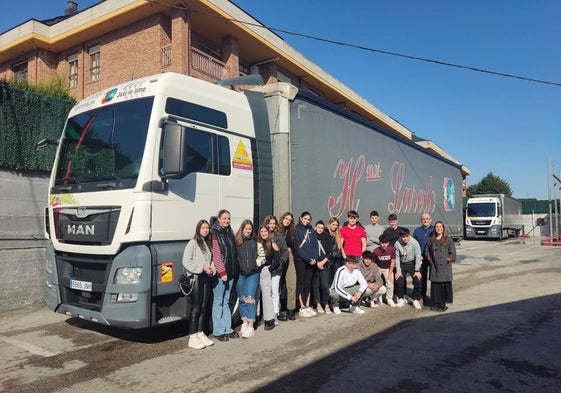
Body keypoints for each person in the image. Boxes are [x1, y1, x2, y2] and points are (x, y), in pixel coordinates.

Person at [182, 219, 216, 349]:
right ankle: (192, 336)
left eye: (207, 228)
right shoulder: (193, 243)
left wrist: (212, 269)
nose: (206, 230)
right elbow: (186, 261)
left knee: (203, 306)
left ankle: (201, 333)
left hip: (206, 278)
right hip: (196, 277)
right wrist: (202, 267)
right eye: (203, 228)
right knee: (195, 307)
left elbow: (211, 260)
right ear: (198, 229)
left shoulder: (207, 243)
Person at [210, 209, 240, 341]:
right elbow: (216, 255)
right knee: (218, 301)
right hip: (221, 274)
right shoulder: (214, 233)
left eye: (228, 218)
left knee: (227, 301)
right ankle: (218, 330)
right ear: (218, 219)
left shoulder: (229, 232)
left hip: (231, 273)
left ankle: (228, 328)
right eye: (224, 218)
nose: (227, 221)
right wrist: (222, 272)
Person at [235, 219, 263, 338]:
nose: (247, 231)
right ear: (242, 229)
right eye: (246, 229)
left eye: (250, 229)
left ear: (252, 231)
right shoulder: (237, 242)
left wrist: (256, 263)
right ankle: (244, 322)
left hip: (253, 273)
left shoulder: (255, 242)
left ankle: (251, 325)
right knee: (241, 298)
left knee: (250, 298)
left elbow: (262, 256)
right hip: (240, 274)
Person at [425, 221, 457, 312]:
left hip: (445, 268)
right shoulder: (431, 239)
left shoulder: (448, 239)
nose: (438, 228)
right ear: (435, 228)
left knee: (443, 286)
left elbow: (453, 254)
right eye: (437, 227)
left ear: (443, 228)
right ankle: (435, 303)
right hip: (434, 267)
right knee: (435, 286)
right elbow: (427, 250)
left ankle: (442, 304)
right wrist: (430, 260)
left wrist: (447, 259)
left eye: (440, 227)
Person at [294, 211, 319, 318]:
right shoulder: (296, 230)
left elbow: (315, 245)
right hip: (301, 261)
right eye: (305, 219)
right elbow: (298, 248)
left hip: (311, 261)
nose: (306, 221)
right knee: (301, 283)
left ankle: (308, 305)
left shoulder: (311, 230)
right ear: (300, 218)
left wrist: (314, 258)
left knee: (308, 283)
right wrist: (308, 258)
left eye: (308, 219)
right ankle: (302, 306)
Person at [256, 224, 281, 330]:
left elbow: (277, 261)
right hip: (256, 270)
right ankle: (256, 318)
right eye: (261, 232)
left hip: (266, 270)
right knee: (255, 295)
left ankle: (269, 320)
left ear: (268, 233)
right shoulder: (257, 244)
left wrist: (269, 269)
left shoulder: (272, 244)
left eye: (265, 231)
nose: (263, 233)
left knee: (267, 296)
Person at [263, 215, 288, 322]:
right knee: (265, 292)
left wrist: (280, 263)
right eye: (270, 223)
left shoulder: (279, 236)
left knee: (275, 291)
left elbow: (284, 252)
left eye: (274, 223)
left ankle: (275, 313)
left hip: (277, 268)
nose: (272, 225)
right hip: (265, 268)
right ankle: (266, 313)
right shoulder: (262, 234)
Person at [394, 228, 423, 309]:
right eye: (403, 237)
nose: (405, 238)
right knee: (398, 280)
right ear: (400, 237)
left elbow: (418, 256)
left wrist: (417, 270)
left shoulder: (415, 243)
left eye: (407, 236)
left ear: (409, 235)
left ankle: (416, 299)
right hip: (402, 263)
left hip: (412, 263)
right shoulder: (397, 243)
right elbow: (397, 257)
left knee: (418, 280)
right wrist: (398, 271)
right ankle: (401, 298)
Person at [277, 212, 298, 320]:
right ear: (282, 218)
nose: (287, 221)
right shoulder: (276, 229)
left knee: (291, 283)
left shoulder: (292, 231)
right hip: (278, 255)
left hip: (290, 255)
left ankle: (291, 309)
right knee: (277, 285)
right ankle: (278, 310)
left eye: (290, 220)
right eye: (286, 218)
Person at [311, 220, 333, 314]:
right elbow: (310, 250)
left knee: (325, 285)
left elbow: (329, 252)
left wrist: (322, 262)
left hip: (324, 263)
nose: (320, 229)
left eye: (321, 228)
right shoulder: (312, 236)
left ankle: (326, 303)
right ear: (315, 227)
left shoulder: (327, 237)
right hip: (314, 264)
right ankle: (318, 304)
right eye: (318, 227)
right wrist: (316, 263)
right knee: (316, 285)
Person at [412, 213, 434, 305]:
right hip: (420, 258)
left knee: (434, 278)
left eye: (427, 219)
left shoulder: (434, 230)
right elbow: (413, 245)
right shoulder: (417, 231)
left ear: (430, 220)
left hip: (432, 258)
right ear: (421, 220)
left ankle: (435, 297)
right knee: (421, 278)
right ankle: (421, 297)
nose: (425, 220)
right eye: (423, 219)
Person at [373, 235, 397, 306]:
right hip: (378, 267)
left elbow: (392, 262)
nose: (384, 245)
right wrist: (376, 274)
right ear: (379, 243)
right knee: (377, 283)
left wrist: (390, 274)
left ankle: (389, 298)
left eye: (385, 243)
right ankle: (378, 299)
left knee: (390, 283)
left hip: (387, 268)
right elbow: (373, 264)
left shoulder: (392, 249)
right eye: (382, 243)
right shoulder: (376, 251)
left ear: (388, 243)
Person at [327, 216, 343, 287]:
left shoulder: (338, 233)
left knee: (336, 277)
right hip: (330, 258)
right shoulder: (326, 233)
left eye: (336, 225)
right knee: (329, 278)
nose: (335, 226)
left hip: (338, 258)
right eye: (333, 224)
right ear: (329, 224)